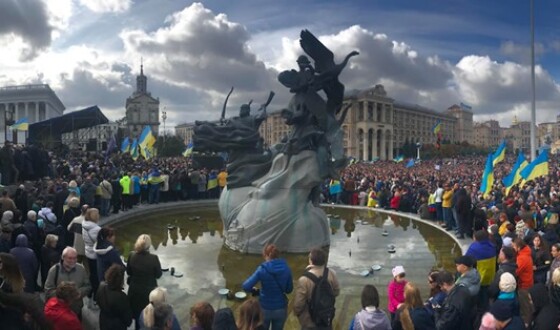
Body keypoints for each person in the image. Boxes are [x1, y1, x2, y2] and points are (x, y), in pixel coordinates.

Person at [242, 243, 293, 330]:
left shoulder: (262, 269)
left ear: (266, 255)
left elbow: (246, 286)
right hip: (280, 309)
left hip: (264, 309)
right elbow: (289, 290)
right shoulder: (286, 268)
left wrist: (256, 291)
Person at [293, 247, 340, 330]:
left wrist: (298, 313)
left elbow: (299, 304)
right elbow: (336, 292)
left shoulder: (304, 279)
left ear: (311, 261)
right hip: (326, 317)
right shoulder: (331, 273)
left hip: (309, 322)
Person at [127, 234, 162, 329]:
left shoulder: (131, 255)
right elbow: (159, 275)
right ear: (149, 245)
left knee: (138, 317)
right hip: (148, 292)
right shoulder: (154, 258)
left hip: (134, 291)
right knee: (149, 318)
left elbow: (128, 272)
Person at [44, 247, 91, 318]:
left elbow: (88, 286)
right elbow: (48, 290)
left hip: (76, 310)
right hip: (59, 312)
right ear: (63, 258)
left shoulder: (81, 269)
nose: (73, 260)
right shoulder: (53, 271)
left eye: (75, 258)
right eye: (70, 258)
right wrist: (64, 296)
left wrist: (79, 292)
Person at [465, 230, 496, 312]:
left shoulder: (474, 248)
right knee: (486, 296)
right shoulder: (492, 246)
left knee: (480, 299)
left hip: (480, 278)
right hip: (490, 276)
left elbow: (466, 260)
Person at [96, 264, 133, 330]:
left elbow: (98, 301)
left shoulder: (101, 286)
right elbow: (128, 319)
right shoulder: (122, 297)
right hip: (117, 326)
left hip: (103, 321)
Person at [512, 237, 534, 326]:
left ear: (518, 247)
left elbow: (516, 271)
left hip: (524, 285)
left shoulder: (522, 258)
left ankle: (526, 323)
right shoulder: (526, 253)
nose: (512, 248)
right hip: (528, 281)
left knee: (525, 306)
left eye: (513, 246)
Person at [82, 207, 101, 307]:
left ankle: (90, 294)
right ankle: (94, 298)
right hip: (94, 254)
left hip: (88, 251)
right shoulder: (96, 229)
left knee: (92, 274)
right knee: (96, 277)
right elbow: (100, 243)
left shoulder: (85, 225)